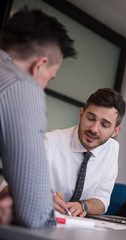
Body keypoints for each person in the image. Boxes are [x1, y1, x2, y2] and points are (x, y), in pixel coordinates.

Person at [0, 7, 76, 228]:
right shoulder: (22, 85)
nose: (42, 89)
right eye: (49, 79)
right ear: (40, 65)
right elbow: (35, 214)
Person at [49, 88, 125, 217]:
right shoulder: (50, 142)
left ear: (115, 131)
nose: (94, 129)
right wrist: (40, 197)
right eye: (90, 118)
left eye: (104, 125)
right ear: (81, 114)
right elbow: (5, 188)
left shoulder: (112, 148)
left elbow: (103, 200)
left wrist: (82, 206)